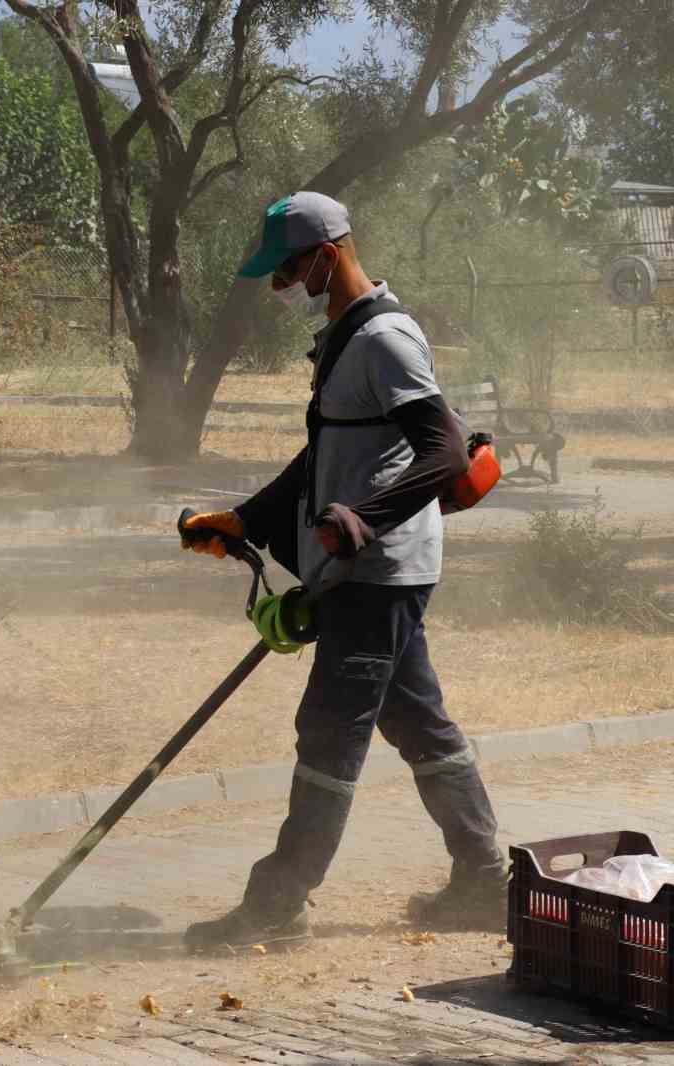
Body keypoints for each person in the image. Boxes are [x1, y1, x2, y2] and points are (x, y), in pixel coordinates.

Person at [178, 191, 505, 953]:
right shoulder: (346, 335)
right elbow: (324, 452)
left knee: (329, 731)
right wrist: (248, 519)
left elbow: (444, 453)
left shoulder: (385, 338)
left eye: (293, 267)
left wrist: (365, 517)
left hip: (378, 572)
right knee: (416, 719)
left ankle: (277, 905)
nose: (284, 283)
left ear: (329, 253)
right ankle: (484, 881)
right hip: (367, 568)